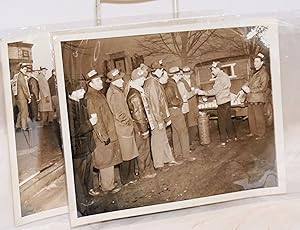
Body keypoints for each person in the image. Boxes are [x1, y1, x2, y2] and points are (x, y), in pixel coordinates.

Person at [85, 70, 122, 194]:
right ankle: (108, 187)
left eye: (100, 79)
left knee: (108, 159)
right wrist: (103, 136)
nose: (100, 82)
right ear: (90, 83)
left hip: (107, 132)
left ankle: (106, 183)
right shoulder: (91, 98)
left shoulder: (97, 94)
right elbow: (96, 120)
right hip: (102, 136)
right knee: (105, 161)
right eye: (97, 80)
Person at [67, 81, 99, 216]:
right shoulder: (69, 108)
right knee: (78, 176)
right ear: (73, 92)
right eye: (80, 90)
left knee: (87, 172)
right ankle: (82, 202)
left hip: (86, 145)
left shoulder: (80, 103)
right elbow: (73, 130)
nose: (83, 92)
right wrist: (90, 123)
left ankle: (88, 192)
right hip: (78, 148)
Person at [143, 61, 181, 170]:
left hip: (159, 115)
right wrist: (159, 120)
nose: (163, 71)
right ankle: (158, 164)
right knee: (157, 140)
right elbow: (154, 104)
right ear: (157, 71)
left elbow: (161, 101)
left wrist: (166, 117)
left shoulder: (155, 82)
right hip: (156, 117)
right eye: (161, 70)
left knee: (163, 138)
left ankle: (169, 159)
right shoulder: (151, 84)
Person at [106, 68, 139, 186]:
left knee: (129, 153)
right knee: (126, 155)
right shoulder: (114, 93)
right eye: (120, 79)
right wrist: (129, 122)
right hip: (122, 128)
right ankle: (126, 179)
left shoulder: (117, 90)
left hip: (124, 127)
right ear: (114, 81)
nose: (122, 81)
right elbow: (119, 114)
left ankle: (130, 176)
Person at [198, 61, 237, 146]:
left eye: (213, 70)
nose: (212, 72)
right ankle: (232, 137)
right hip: (227, 101)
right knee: (228, 120)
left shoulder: (219, 78)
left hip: (222, 103)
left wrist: (203, 92)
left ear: (217, 69)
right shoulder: (226, 76)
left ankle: (223, 140)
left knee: (221, 122)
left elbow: (214, 91)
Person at [127, 68, 156, 179]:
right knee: (143, 150)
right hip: (140, 127)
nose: (144, 79)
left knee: (144, 148)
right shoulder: (135, 95)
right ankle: (144, 172)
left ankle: (147, 169)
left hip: (140, 126)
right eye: (142, 77)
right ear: (137, 79)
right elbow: (138, 114)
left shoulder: (136, 91)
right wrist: (144, 130)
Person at [162, 66, 195, 162]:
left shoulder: (170, 84)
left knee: (176, 133)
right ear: (175, 75)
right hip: (175, 110)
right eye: (179, 74)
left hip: (172, 111)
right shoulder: (171, 85)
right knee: (183, 132)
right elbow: (172, 100)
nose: (181, 76)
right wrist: (181, 101)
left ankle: (178, 154)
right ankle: (186, 155)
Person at [244, 53, 270, 140]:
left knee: (259, 117)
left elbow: (263, 87)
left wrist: (251, 90)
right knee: (251, 117)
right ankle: (253, 132)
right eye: (254, 61)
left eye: (257, 61)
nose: (255, 63)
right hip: (251, 98)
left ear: (262, 63)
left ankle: (261, 134)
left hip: (258, 98)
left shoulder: (263, 74)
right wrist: (244, 86)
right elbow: (249, 82)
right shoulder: (255, 73)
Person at [180, 66, 200, 145]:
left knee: (195, 119)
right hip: (187, 104)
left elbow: (197, 87)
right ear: (183, 74)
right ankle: (190, 141)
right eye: (185, 74)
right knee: (189, 122)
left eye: (188, 73)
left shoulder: (192, 80)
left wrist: (196, 89)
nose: (187, 75)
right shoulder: (181, 82)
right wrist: (192, 91)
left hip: (194, 102)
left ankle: (195, 137)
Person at [12, 63, 31, 130]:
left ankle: (17, 125)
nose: (26, 70)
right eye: (25, 69)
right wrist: (28, 97)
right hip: (22, 98)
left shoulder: (16, 76)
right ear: (21, 69)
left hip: (17, 97)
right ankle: (24, 127)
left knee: (20, 111)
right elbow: (24, 88)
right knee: (24, 112)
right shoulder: (21, 76)